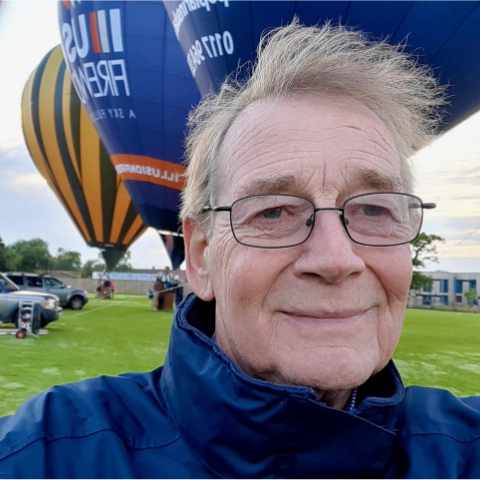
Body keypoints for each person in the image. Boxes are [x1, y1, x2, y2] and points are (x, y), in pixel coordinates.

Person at [1, 21, 479, 478]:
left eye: (374, 210)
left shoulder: (465, 449)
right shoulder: (45, 454)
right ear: (202, 256)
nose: (336, 259)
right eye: (272, 212)